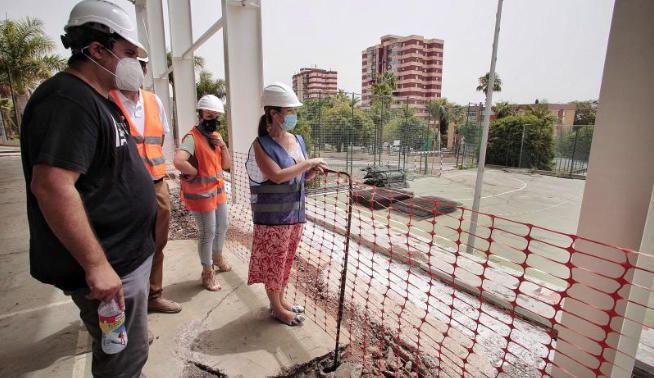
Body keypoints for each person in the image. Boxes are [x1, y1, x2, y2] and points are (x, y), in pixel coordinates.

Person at [19, 0, 156, 377]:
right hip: (111, 266)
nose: (136, 64)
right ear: (97, 49)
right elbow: (52, 186)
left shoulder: (96, 99)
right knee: (122, 362)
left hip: (124, 259)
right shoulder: (67, 100)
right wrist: (97, 266)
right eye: (128, 53)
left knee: (127, 350)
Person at [245, 83, 327, 326]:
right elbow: (278, 175)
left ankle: (280, 302)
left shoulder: (297, 140)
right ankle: (276, 308)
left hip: (295, 215)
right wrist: (308, 162)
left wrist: (312, 173)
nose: (293, 116)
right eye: (289, 111)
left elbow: (297, 177)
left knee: (286, 260)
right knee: (274, 262)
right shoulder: (261, 145)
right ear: (273, 114)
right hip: (273, 220)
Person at [108, 57, 182, 314]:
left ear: (146, 70)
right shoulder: (107, 100)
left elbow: (159, 137)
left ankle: (153, 295)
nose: (136, 68)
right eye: (128, 60)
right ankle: (129, 306)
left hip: (155, 181)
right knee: (128, 245)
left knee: (157, 242)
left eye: (141, 63)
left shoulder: (154, 101)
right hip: (123, 187)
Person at [173, 95, 232, 291]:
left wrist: (222, 145)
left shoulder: (214, 138)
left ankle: (217, 256)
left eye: (215, 115)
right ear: (200, 115)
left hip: (217, 192)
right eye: (208, 114)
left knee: (222, 226)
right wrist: (194, 171)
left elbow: (227, 165)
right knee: (208, 232)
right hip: (201, 195)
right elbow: (179, 161)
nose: (212, 118)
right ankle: (207, 272)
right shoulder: (192, 137)